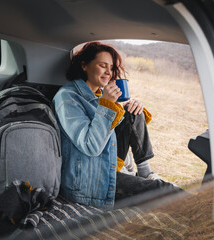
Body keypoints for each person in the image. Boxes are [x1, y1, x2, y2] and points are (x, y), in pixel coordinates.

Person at [53, 41, 180, 208]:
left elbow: (110, 127)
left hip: (104, 161)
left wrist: (129, 105)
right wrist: (106, 105)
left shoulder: (97, 94)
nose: (109, 72)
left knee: (133, 111)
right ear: (84, 65)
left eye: (111, 67)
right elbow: (91, 146)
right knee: (165, 189)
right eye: (102, 65)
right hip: (89, 179)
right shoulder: (68, 98)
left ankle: (145, 172)